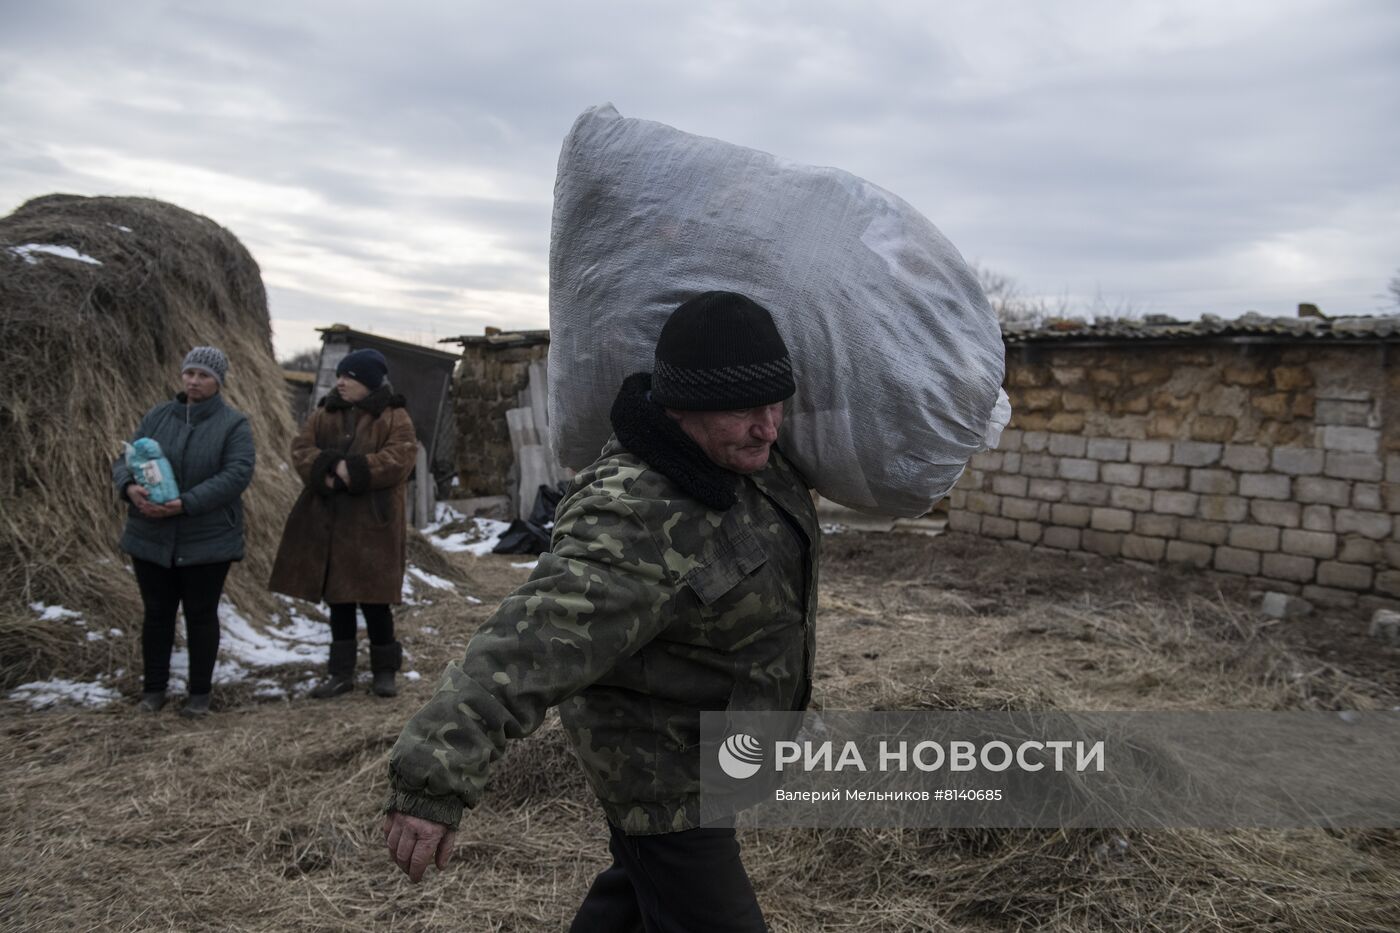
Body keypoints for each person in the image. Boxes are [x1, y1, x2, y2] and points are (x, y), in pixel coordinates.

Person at [382, 292, 820, 931]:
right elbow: (529, 642)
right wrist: (434, 776)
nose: (769, 426)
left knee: (635, 900)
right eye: (746, 409)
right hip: (661, 773)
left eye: (775, 403)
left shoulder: (747, 464)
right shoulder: (635, 514)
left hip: (711, 751)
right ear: (684, 404)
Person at [112, 346, 255, 718]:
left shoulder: (233, 424)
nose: (194, 381)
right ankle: (153, 691)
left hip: (207, 540)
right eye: (189, 373)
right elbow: (125, 458)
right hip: (151, 535)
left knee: (201, 614)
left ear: (218, 382)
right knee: (157, 613)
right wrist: (130, 488)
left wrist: (185, 503)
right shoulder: (159, 415)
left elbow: (236, 474)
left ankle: (199, 695)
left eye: (203, 375)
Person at [269, 348, 418, 699]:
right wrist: (328, 469)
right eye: (340, 375)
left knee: (375, 603)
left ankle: (384, 673)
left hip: (374, 525)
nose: (341, 382)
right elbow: (301, 449)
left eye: (348, 376)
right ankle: (340, 674)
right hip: (332, 524)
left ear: (367, 381)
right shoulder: (325, 412)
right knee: (339, 602)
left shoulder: (394, 416)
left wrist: (352, 471)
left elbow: (400, 458)